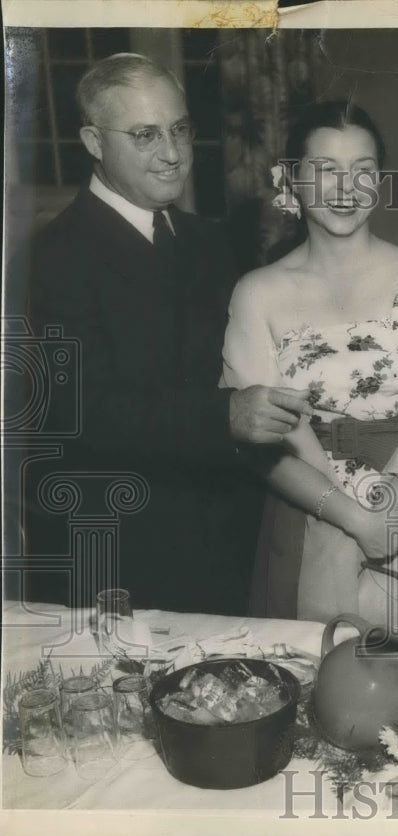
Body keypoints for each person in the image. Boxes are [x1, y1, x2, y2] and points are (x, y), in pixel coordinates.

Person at [20, 53, 310, 615]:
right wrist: (222, 415)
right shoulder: (48, 259)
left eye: (179, 129)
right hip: (118, 560)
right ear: (93, 141)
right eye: (146, 136)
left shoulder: (209, 239)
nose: (174, 154)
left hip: (222, 546)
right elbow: (82, 412)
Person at [222, 100, 398, 629]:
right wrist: (351, 517)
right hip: (305, 512)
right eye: (325, 170)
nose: (346, 189)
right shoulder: (258, 292)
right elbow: (252, 440)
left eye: (362, 171)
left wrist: (384, 514)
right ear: (291, 179)